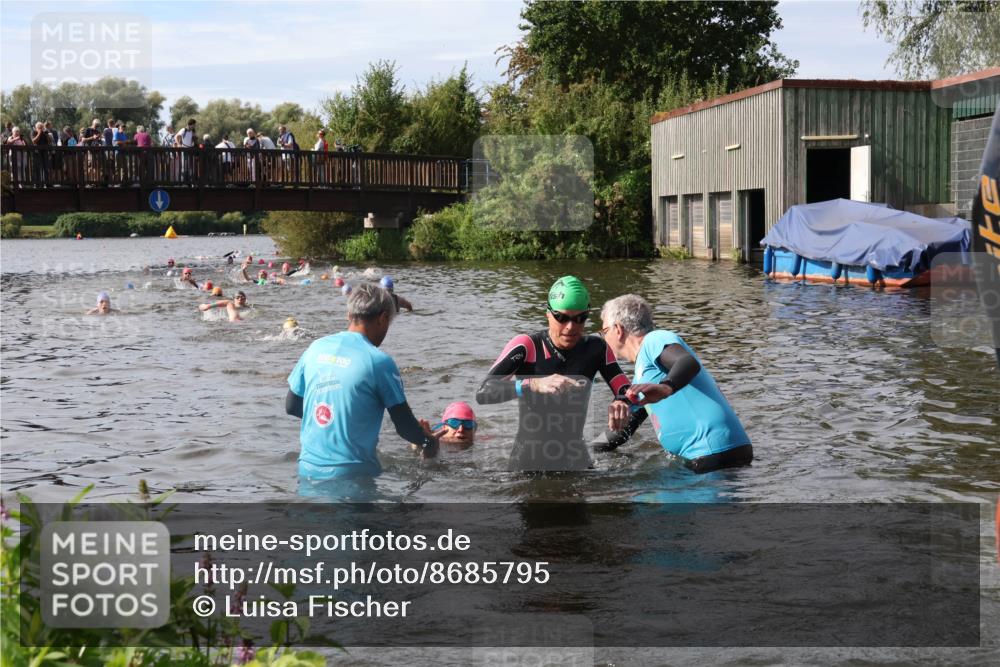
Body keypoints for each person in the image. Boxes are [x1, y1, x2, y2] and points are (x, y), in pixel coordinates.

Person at [286, 283, 440, 481]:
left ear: (349, 315)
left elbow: (291, 406)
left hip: (307, 470)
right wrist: (428, 442)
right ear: (384, 317)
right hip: (353, 477)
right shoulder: (378, 361)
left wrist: (334, 422)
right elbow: (405, 427)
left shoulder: (315, 348)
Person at [475, 276, 632, 471]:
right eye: (562, 317)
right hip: (527, 461)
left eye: (579, 318)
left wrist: (621, 401)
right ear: (548, 314)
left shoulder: (596, 348)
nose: (570, 327)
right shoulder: (527, 346)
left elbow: (626, 389)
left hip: (575, 458)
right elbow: (484, 392)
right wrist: (532, 384)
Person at [598, 294, 752, 474]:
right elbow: (621, 431)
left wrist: (665, 387)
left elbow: (687, 363)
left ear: (618, 329)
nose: (604, 338)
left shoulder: (654, 339)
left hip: (709, 453)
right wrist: (584, 450)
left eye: (604, 331)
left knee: (643, 498)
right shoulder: (643, 378)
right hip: (716, 453)